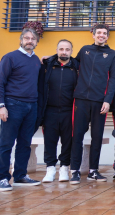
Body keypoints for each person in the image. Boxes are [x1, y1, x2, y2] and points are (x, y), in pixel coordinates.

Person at [0, 25, 43, 191]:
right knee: (6, 143)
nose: (30, 41)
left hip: (32, 106)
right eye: (27, 38)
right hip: (13, 105)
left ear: (37, 41)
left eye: (33, 39)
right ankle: (2, 178)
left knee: (25, 143)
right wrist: (1, 106)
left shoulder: (36, 60)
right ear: (21, 40)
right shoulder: (10, 58)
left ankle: (20, 176)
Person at [70, 23, 115, 184]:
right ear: (93, 34)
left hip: (100, 102)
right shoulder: (85, 50)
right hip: (81, 100)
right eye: (99, 33)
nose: (101, 35)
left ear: (107, 36)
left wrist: (107, 100)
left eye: (104, 33)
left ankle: (93, 170)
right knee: (77, 135)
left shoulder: (112, 54)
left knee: (96, 137)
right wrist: (49, 59)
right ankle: (75, 170)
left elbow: (113, 80)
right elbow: (72, 64)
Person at [38, 39, 79, 183]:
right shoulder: (47, 65)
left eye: (67, 49)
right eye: (61, 49)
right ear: (57, 50)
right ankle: (50, 169)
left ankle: (64, 169)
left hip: (69, 110)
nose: (64, 52)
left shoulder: (76, 66)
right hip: (50, 110)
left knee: (68, 141)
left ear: (71, 51)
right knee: (50, 140)